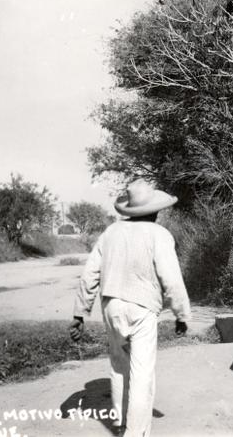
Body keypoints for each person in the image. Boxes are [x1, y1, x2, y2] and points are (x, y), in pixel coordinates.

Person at [69, 179, 191, 437]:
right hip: (142, 308)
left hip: (111, 307)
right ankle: (136, 432)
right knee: (142, 373)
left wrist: (80, 312)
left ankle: (121, 422)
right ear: (155, 211)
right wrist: (181, 314)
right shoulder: (159, 235)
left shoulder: (110, 233)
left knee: (118, 366)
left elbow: (90, 273)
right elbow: (171, 277)